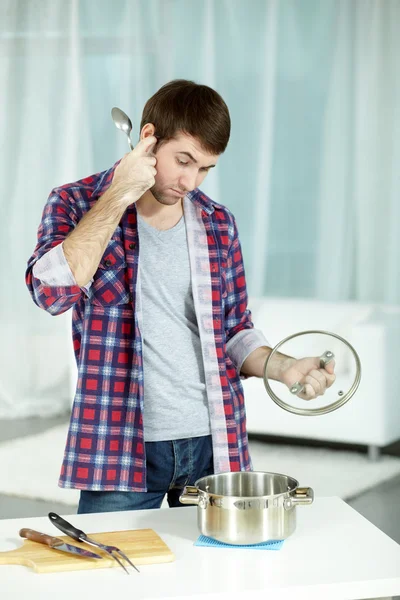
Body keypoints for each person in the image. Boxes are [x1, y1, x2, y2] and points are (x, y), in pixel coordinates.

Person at [26, 79, 335, 514]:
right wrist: (119, 193)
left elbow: (234, 331)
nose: (191, 181)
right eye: (183, 160)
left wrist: (284, 367)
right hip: (121, 444)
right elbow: (51, 293)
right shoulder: (76, 202)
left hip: (213, 442)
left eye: (206, 168)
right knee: (113, 574)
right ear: (148, 139)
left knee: (217, 574)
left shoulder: (217, 223)